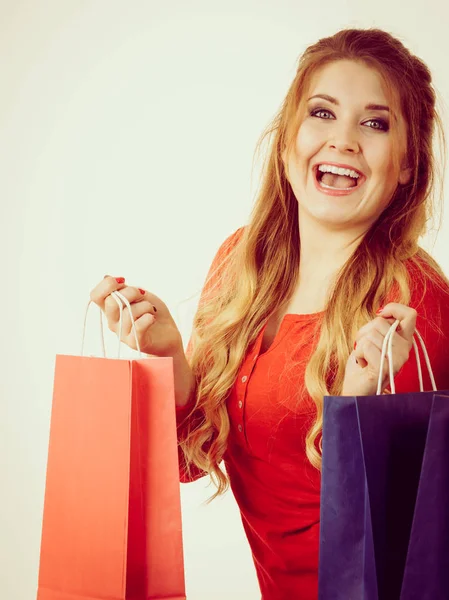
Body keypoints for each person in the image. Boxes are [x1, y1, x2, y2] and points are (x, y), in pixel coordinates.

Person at [89, 27, 449, 600]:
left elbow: (401, 536)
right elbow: (192, 458)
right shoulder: (241, 263)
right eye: (322, 113)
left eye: (375, 123)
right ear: (287, 144)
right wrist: (169, 354)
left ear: (407, 165)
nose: (345, 140)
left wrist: (355, 406)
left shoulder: (411, 301)